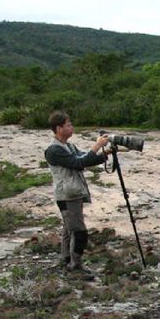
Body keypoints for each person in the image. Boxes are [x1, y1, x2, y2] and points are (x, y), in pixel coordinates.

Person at [45, 112, 111, 278]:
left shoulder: (69, 146)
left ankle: (66, 260)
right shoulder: (54, 150)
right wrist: (97, 145)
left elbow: (85, 159)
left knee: (69, 229)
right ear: (59, 128)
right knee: (79, 232)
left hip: (72, 193)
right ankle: (76, 267)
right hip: (67, 195)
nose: (71, 127)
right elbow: (78, 163)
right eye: (68, 125)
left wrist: (107, 153)